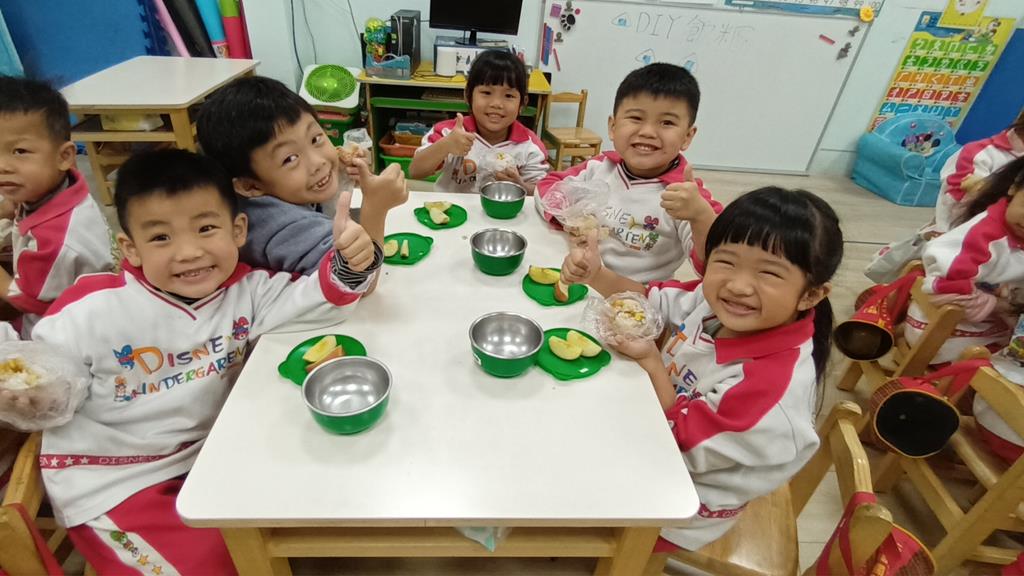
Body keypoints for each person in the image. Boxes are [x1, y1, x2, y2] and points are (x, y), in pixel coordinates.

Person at [0, 148, 380, 574]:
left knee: (324, 507)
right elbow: (49, 375)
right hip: (116, 482)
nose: (188, 252)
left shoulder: (248, 291)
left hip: (211, 459)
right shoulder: (90, 309)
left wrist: (351, 260)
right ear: (131, 248)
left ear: (238, 230)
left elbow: (318, 299)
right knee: (217, 565)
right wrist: (33, 395)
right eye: (161, 238)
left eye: (206, 228)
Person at [561, 187, 842, 549]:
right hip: (653, 429)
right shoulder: (715, 304)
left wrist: (652, 363)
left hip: (677, 508)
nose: (738, 285)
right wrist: (597, 274)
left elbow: (673, 445)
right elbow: (650, 302)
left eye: (768, 273)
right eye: (726, 261)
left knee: (556, 475)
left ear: (811, 295)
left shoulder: (770, 393)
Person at [197, 75, 406, 278]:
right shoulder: (283, 226)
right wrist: (376, 207)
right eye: (290, 159)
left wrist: (341, 172)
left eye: (315, 139)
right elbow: (356, 282)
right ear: (249, 186)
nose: (318, 162)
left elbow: (331, 220)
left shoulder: (275, 190)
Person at [536, 63, 720, 283]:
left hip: (636, 296)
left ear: (687, 137)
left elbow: (716, 264)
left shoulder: (687, 195)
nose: (648, 132)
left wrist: (700, 215)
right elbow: (546, 186)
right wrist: (570, 219)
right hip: (578, 278)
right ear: (613, 127)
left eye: (667, 122)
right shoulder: (600, 166)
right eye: (636, 118)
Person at [0, 76, 117, 334]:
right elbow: (11, 207)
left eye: (19, 151)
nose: (3, 166)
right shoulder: (60, 184)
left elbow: (25, 299)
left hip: (60, 331)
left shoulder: (54, 239)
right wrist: (9, 207)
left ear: (64, 156)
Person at [905, 155, 1024, 364]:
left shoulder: (1015, 232)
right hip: (941, 333)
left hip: (981, 325)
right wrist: (1000, 307)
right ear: (1014, 188)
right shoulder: (982, 237)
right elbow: (944, 289)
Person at [409, 49, 548, 193]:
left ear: (523, 103)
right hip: (451, 206)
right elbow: (415, 171)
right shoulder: (449, 132)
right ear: (468, 95)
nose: (496, 104)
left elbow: (540, 192)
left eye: (508, 96)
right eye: (486, 93)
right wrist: (446, 145)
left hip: (501, 208)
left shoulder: (530, 146)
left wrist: (520, 185)